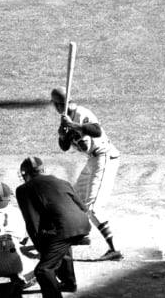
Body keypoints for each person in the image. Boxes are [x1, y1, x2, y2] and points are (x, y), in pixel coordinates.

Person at [51, 87, 124, 261]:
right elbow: (64, 147)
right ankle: (80, 235)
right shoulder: (65, 118)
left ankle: (115, 249)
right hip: (92, 160)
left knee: (93, 207)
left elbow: (96, 130)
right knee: (75, 200)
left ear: (57, 104)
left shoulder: (81, 113)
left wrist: (73, 125)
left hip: (104, 157)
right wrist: (63, 135)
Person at [16, 156, 91, 298]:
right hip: (83, 223)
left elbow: (32, 222)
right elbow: (83, 207)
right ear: (42, 169)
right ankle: (69, 282)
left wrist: (42, 250)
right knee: (61, 242)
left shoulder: (23, 189)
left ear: (25, 174)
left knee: (43, 270)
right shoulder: (62, 182)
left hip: (64, 229)